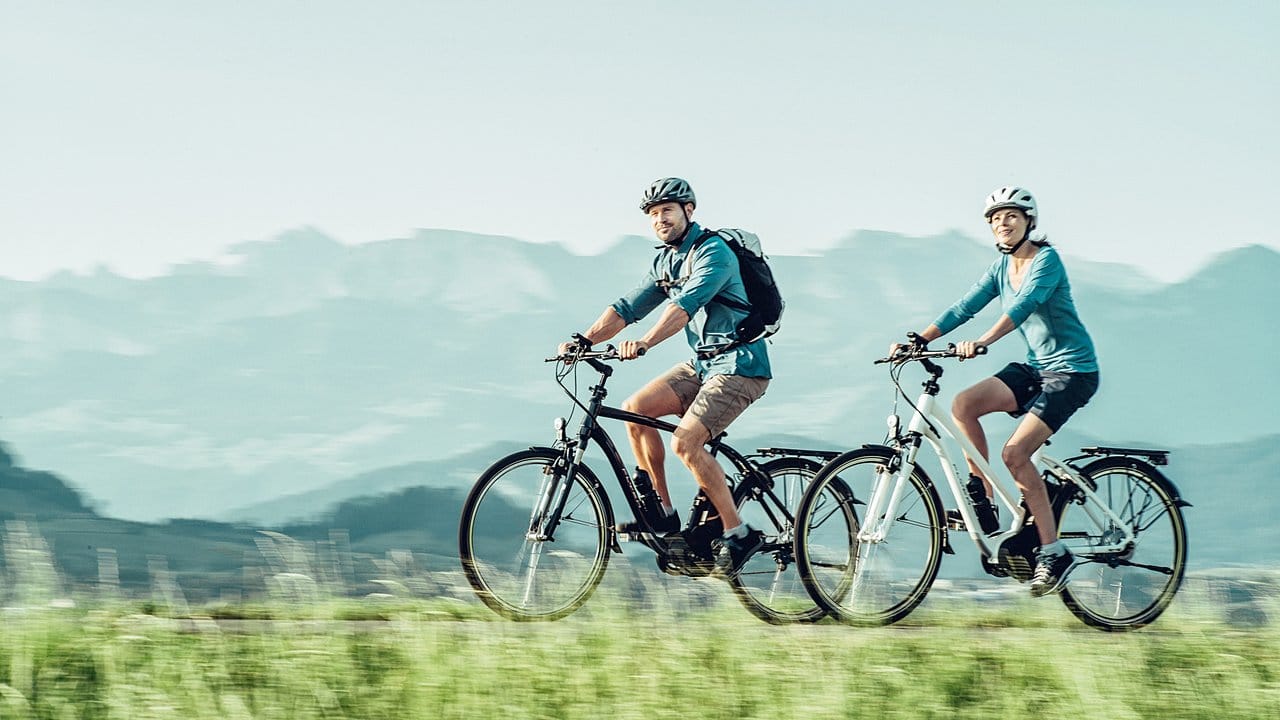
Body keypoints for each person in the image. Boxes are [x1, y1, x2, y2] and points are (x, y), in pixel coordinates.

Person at [558, 177, 772, 579]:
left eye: (667, 211)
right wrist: (583, 340)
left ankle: (738, 532)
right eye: (654, 214)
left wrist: (645, 343)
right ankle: (664, 515)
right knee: (635, 411)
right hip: (703, 365)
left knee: (685, 442)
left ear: (689, 211)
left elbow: (684, 307)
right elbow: (626, 307)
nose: (660, 219)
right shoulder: (665, 261)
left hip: (740, 365)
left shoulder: (715, 253)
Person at [899, 186, 1099, 597]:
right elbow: (963, 307)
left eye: (1010, 216)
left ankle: (1053, 551)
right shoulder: (999, 269)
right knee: (964, 404)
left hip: (1072, 372)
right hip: (1037, 368)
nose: (1001, 223)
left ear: (1030, 221)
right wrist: (920, 338)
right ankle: (983, 494)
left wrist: (984, 340)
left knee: (1015, 454)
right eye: (994, 218)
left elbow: (1022, 307)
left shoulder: (1047, 261)